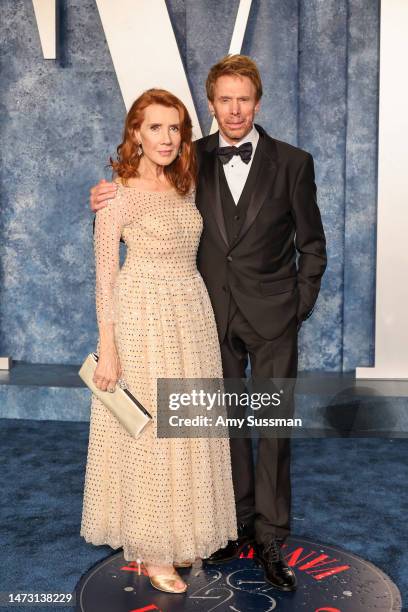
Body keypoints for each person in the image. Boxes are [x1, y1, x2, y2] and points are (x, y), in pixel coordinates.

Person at [90, 55, 327, 592]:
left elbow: (312, 245)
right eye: (225, 99)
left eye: (244, 98)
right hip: (203, 321)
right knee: (213, 428)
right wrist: (101, 198)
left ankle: (268, 535)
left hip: (270, 318)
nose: (236, 109)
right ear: (212, 104)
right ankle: (230, 524)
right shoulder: (187, 158)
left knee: (268, 427)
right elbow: (131, 200)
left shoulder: (293, 162)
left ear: (258, 102)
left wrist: (296, 307)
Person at [81, 88, 237, 595]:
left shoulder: (187, 185)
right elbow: (105, 277)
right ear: (136, 133)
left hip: (190, 313)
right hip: (141, 316)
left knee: (186, 427)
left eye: (175, 128)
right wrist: (109, 347)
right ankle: (153, 547)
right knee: (149, 433)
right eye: (155, 127)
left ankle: (182, 532)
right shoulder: (116, 195)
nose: (167, 138)